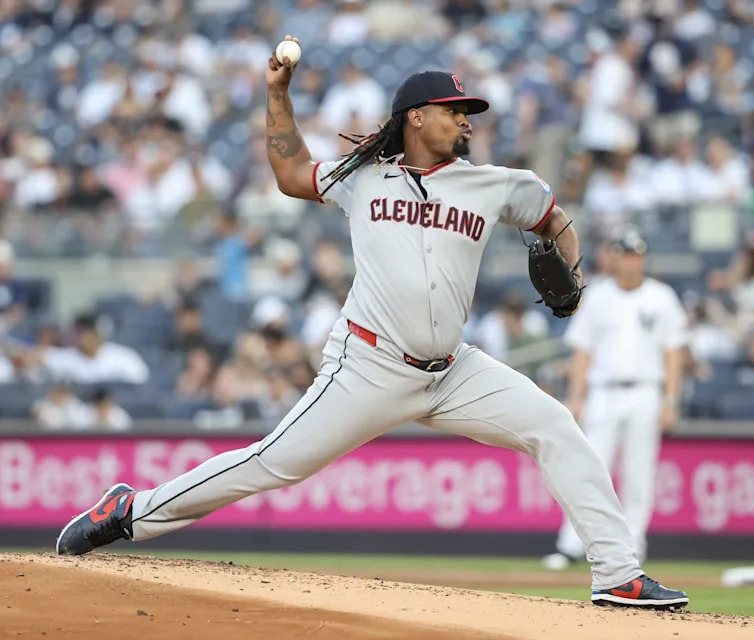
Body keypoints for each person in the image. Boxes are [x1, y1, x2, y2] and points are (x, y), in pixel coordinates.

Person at [55, 42, 687, 611]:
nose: (467, 119)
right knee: (274, 462)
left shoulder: (495, 185)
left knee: (556, 427)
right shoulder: (363, 176)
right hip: (367, 364)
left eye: (469, 110)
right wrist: (277, 96)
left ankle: (618, 574)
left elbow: (555, 220)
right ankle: (129, 511)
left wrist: (570, 272)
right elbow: (289, 173)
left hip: (453, 370)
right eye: (453, 108)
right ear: (416, 116)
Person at [542, 227, 687, 569]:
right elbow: (582, 353)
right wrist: (576, 398)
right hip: (603, 393)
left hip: (645, 392)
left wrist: (670, 400)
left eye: (637, 255)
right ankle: (572, 543)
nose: (631, 261)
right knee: (589, 469)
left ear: (644, 258)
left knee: (639, 475)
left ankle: (633, 545)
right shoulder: (599, 296)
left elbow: (674, 353)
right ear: (614, 257)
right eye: (625, 254)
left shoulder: (662, 297)